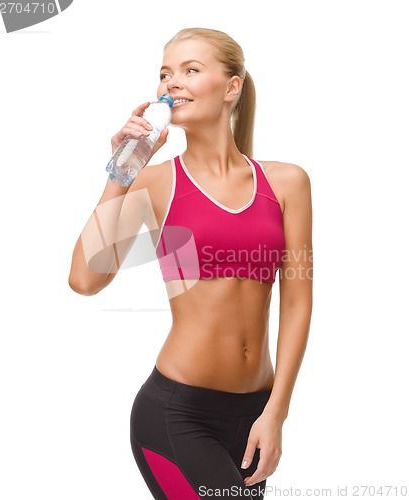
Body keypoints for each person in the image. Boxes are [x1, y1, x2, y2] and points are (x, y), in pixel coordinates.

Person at [69, 27, 313, 500]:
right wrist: (123, 169)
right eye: (164, 73)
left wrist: (276, 413)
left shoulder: (288, 183)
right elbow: (85, 279)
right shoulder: (154, 183)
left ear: (231, 88)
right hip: (178, 414)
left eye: (190, 70)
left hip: (254, 414)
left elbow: (298, 302)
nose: (171, 83)